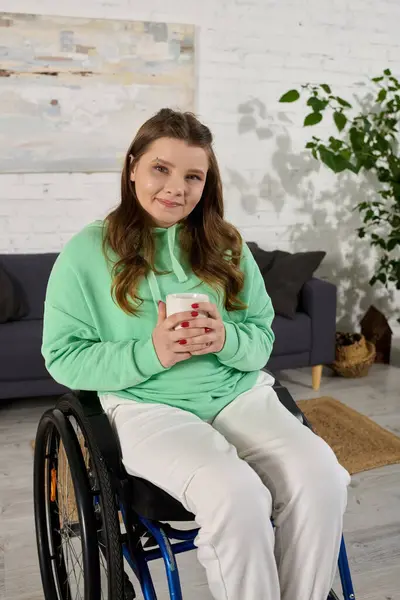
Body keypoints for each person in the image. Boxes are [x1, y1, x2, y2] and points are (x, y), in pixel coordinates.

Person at [42, 108, 350, 600]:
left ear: (207, 182)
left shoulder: (225, 244)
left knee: (324, 479)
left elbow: (261, 338)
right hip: (149, 404)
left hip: (238, 395)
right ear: (133, 168)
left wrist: (224, 339)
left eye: (193, 176)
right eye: (160, 169)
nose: (176, 188)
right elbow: (63, 357)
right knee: (236, 495)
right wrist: (152, 352)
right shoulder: (87, 251)